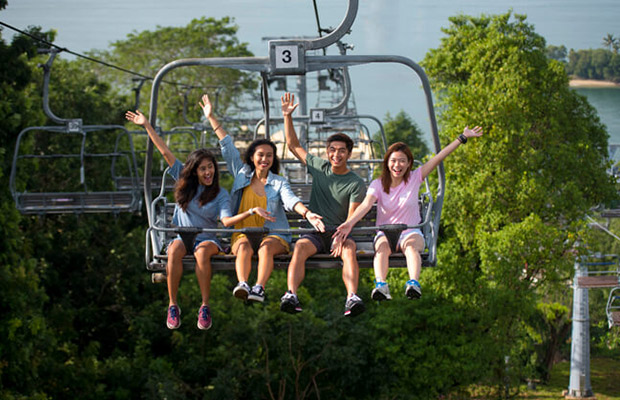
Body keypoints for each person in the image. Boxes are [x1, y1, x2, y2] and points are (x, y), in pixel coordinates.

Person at [125, 110, 251, 331]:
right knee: (173, 250)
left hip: (207, 239)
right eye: (203, 169)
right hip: (184, 236)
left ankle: (204, 306)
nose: (208, 172)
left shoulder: (220, 194)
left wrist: (247, 215)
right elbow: (165, 152)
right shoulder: (185, 183)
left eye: (210, 167)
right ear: (194, 171)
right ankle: (173, 305)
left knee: (202, 252)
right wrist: (146, 125)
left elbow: (226, 220)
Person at [199, 94, 325, 304]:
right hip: (243, 231)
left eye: (269, 155)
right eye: (260, 155)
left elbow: (290, 200)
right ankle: (243, 283)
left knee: (266, 247)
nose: (264, 159)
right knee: (244, 247)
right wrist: (211, 117)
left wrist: (307, 212)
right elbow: (227, 146)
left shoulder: (278, 182)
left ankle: (259, 287)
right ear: (252, 157)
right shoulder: (242, 175)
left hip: (273, 233)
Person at [333, 126, 483, 301]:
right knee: (381, 250)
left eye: (402, 161)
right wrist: (349, 223)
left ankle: (413, 283)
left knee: (411, 248)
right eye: (394, 161)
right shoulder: (378, 184)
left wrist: (462, 138)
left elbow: (439, 157)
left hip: (410, 231)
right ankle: (381, 285)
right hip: (385, 232)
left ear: (409, 163)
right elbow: (366, 204)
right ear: (387, 163)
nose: (397, 165)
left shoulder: (415, 178)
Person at [279, 92, 367, 317]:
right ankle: (291, 293)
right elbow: (293, 145)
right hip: (316, 232)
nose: (336, 155)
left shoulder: (355, 182)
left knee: (349, 251)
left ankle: (352, 297)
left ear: (349, 153)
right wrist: (288, 117)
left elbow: (351, 217)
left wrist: (340, 235)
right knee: (299, 248)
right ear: (328, 152)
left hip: (340, 232)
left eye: (341, 151)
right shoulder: (319, 167)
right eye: (332, 150)